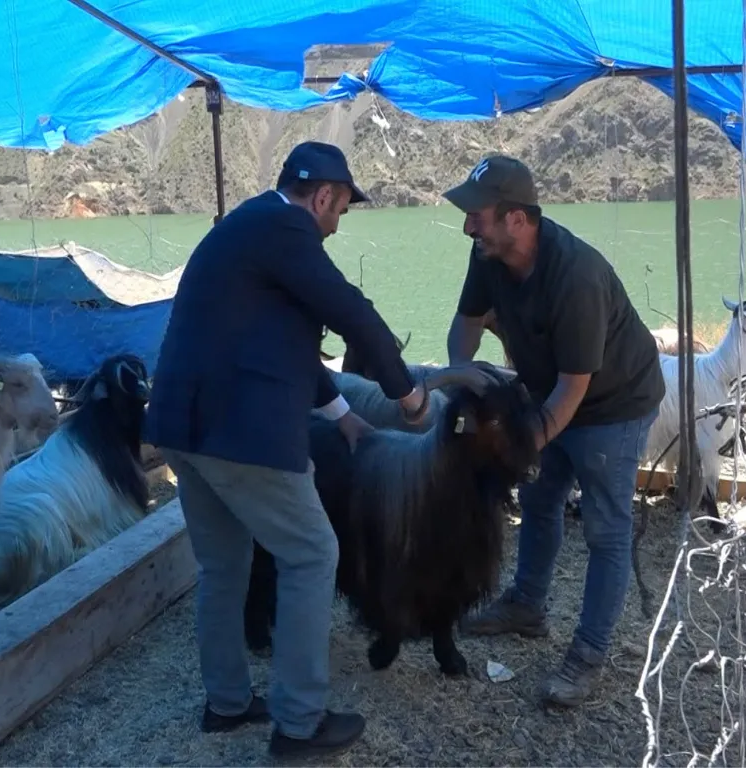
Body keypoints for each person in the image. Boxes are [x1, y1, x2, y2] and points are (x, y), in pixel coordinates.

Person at [144, 141, 433, 760]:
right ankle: (299, 723)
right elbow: (352, 312)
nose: (334, 226)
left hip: (182, 427)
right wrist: (409, 397)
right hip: (238, 431)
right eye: (339, 212)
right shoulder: (286, 226)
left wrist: (341, 415)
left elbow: (279, 341)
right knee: (311, 553)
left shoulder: (247, 229)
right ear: (323, 196)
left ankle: (226, 703)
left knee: (224, 566)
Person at [442, 154, 666, 707]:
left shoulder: (577, 276)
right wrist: (463, 381)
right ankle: (527, 607)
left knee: (605, 530)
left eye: (479, 215)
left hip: (613, 404)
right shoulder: (489, 255)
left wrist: (519, 445)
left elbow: (575, 388)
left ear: (518, 218)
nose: (469, 225)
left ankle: (588, 655)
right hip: (551, 392)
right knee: (540, 499)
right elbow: (466, 325)